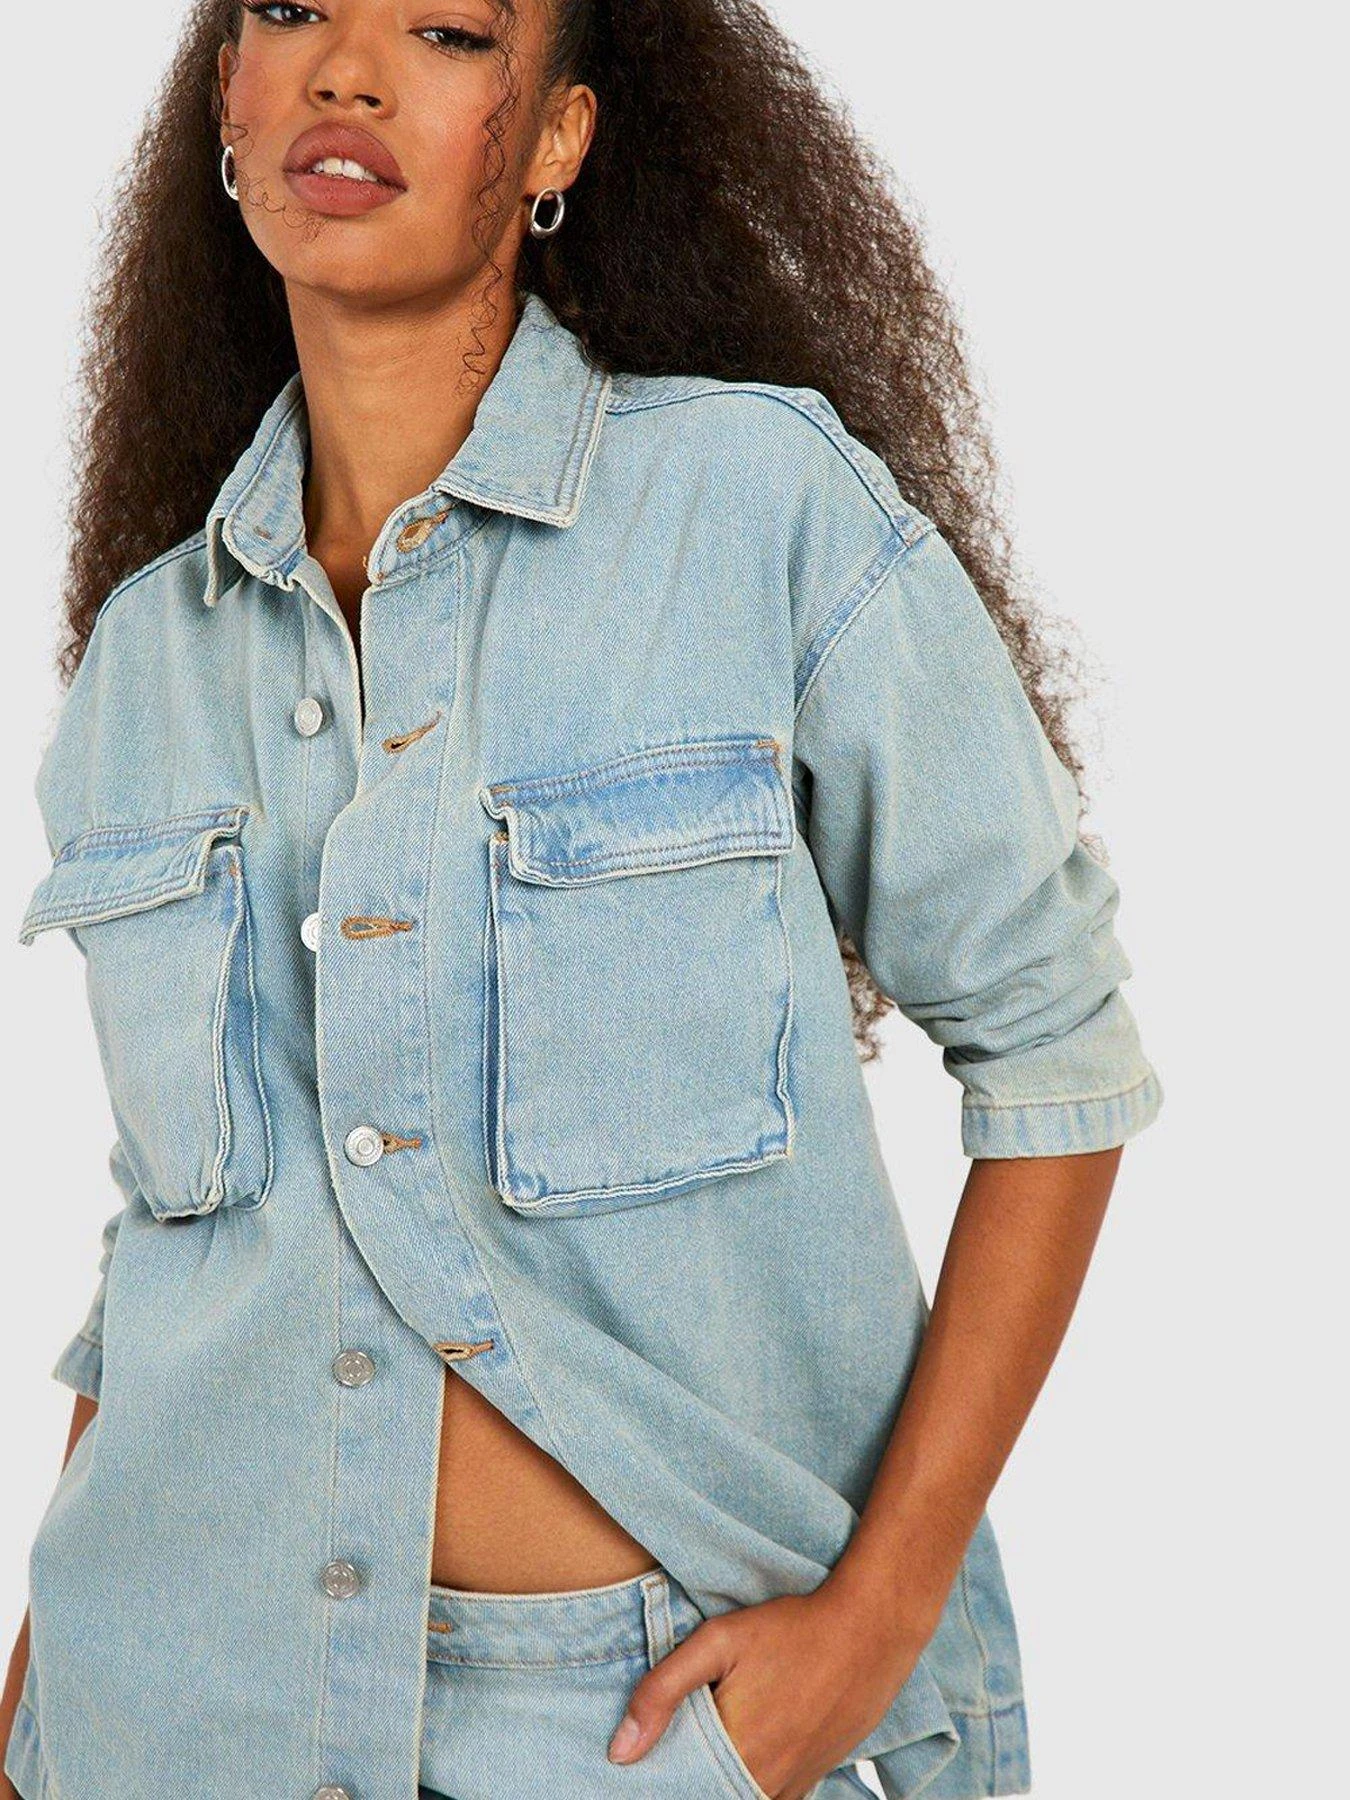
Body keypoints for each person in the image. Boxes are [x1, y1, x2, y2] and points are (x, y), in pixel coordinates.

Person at [1, 1, 1164, 1797]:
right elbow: (180, 1228)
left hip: (641, 1721)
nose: (346, 71)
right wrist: (32, 1711)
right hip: (171, 1710)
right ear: (227, 100)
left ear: (556, 137)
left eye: (447, 30)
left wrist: (877, 1619)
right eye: (290, 9)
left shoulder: (759, 513)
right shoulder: (149, 655)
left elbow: (1055, 1054)